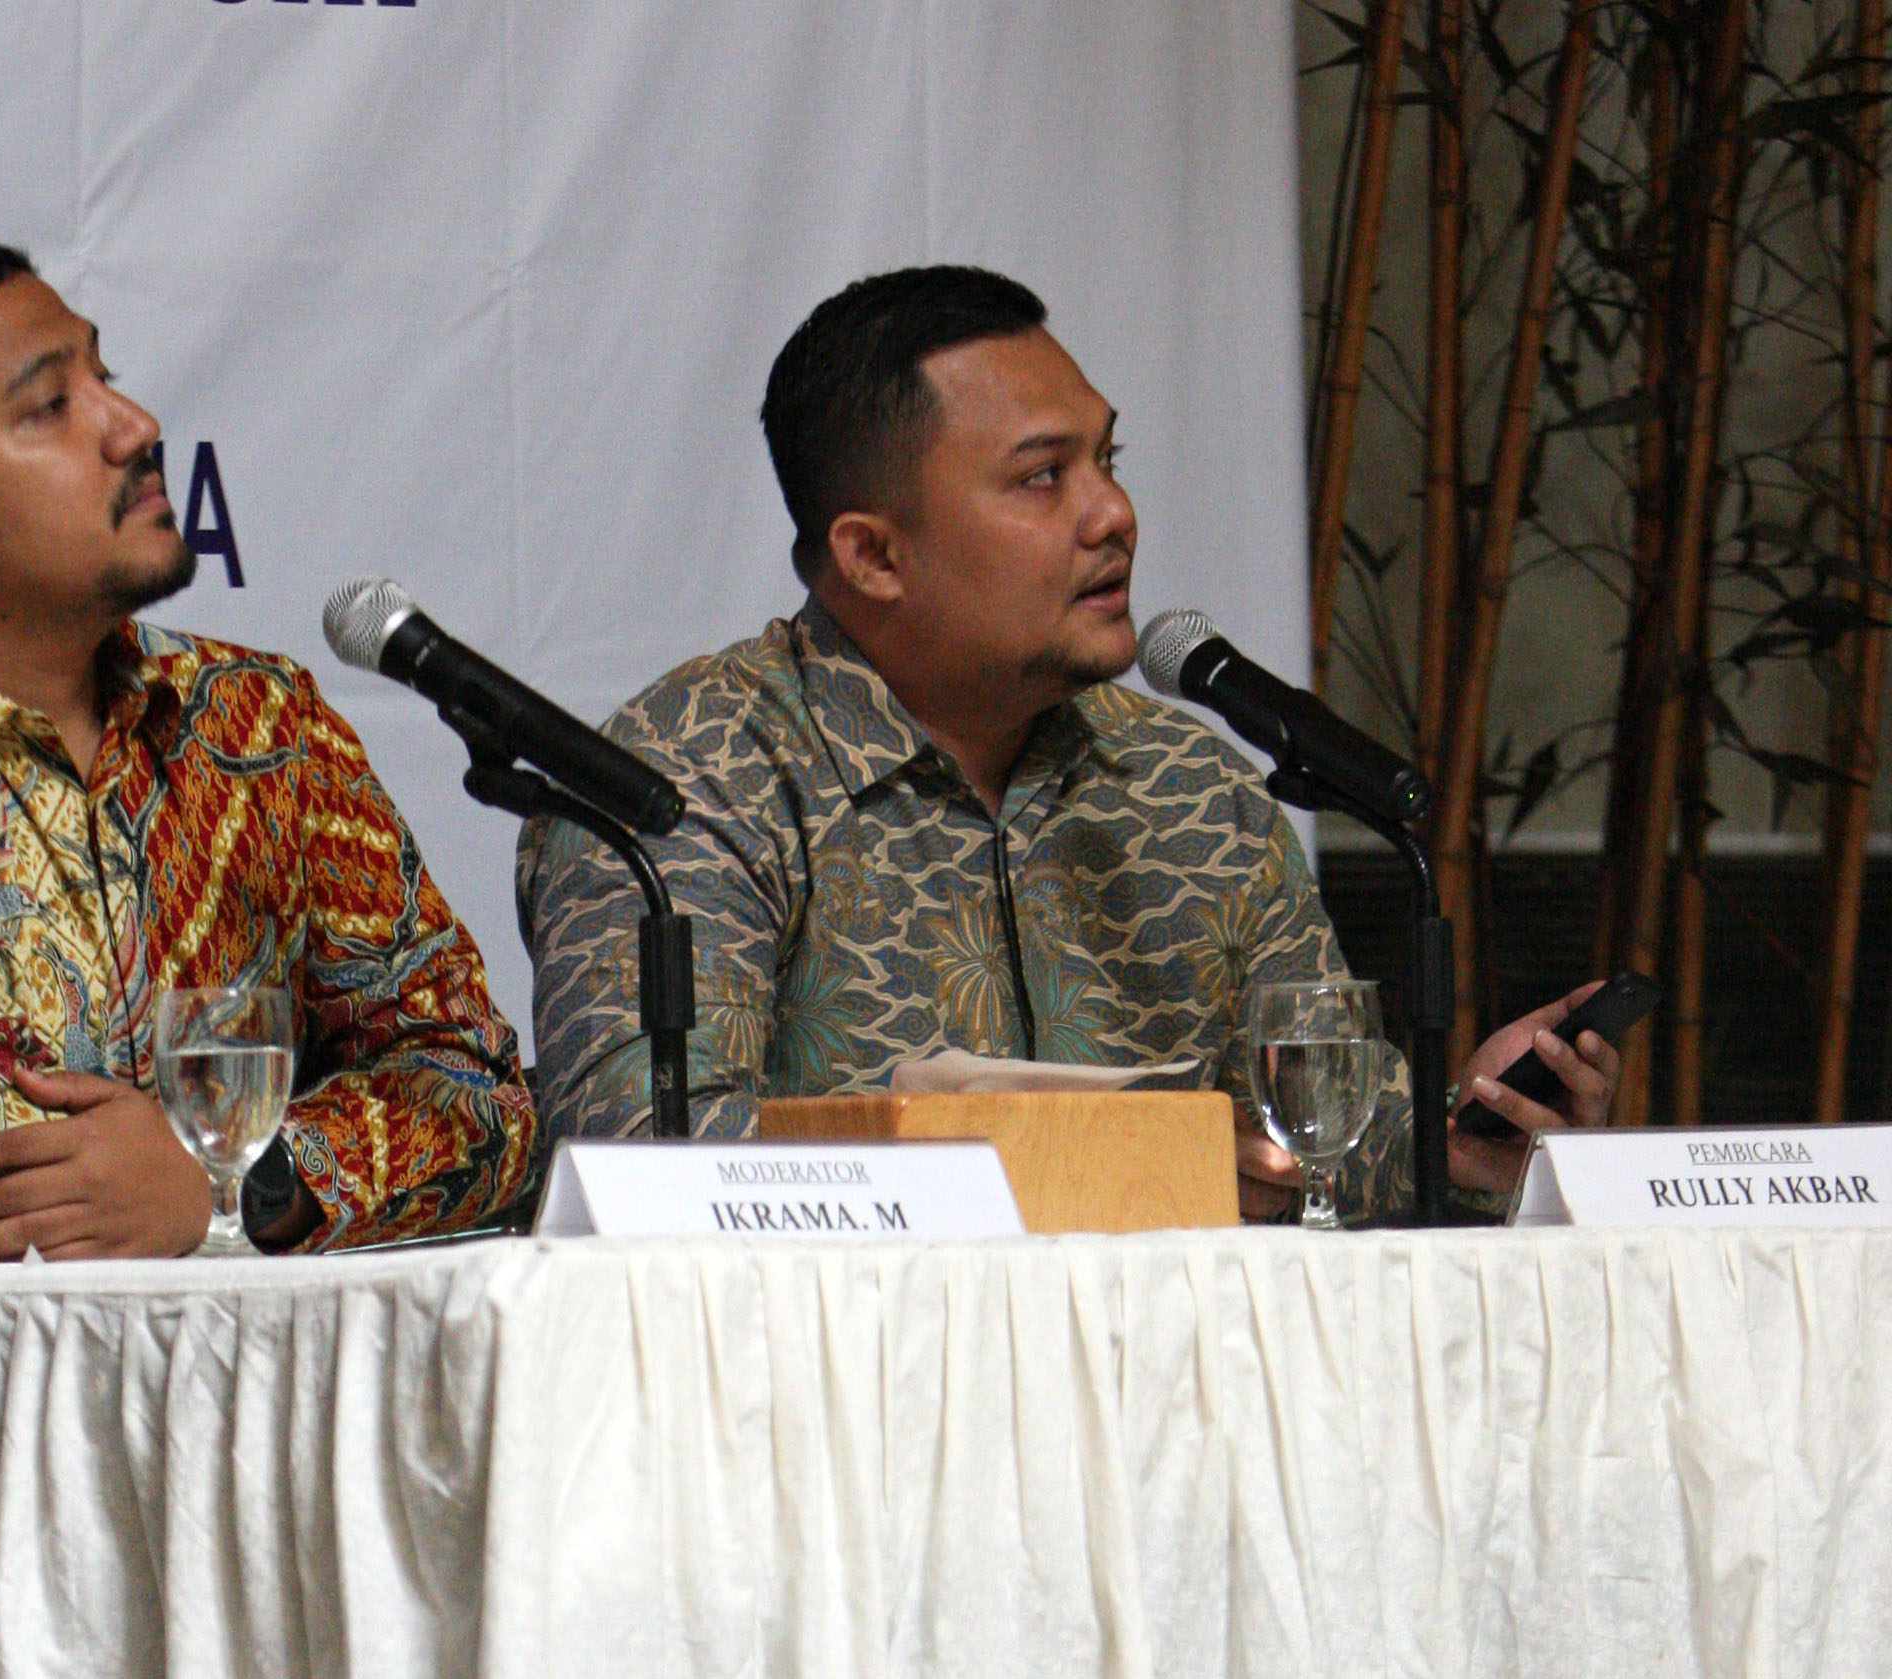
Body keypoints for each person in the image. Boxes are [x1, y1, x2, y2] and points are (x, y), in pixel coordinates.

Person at [521, 263, 1619, 1217]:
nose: (1112, 514)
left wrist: (1452, 1140)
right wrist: (1139, 1167)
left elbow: (1312, 1150)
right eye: (1043, 476)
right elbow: (647, 1159)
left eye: (1108, 459)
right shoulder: (687, 777)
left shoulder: (1190, 789)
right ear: (873, 556)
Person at [0, 232, 532, 1267]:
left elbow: (476, 1095)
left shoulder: (260, 722)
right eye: (51, 405)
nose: (135, 427)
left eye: (106, 377)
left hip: (280, 1363)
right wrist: (210, 1177)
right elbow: (0, 1195)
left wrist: (242, 1188)